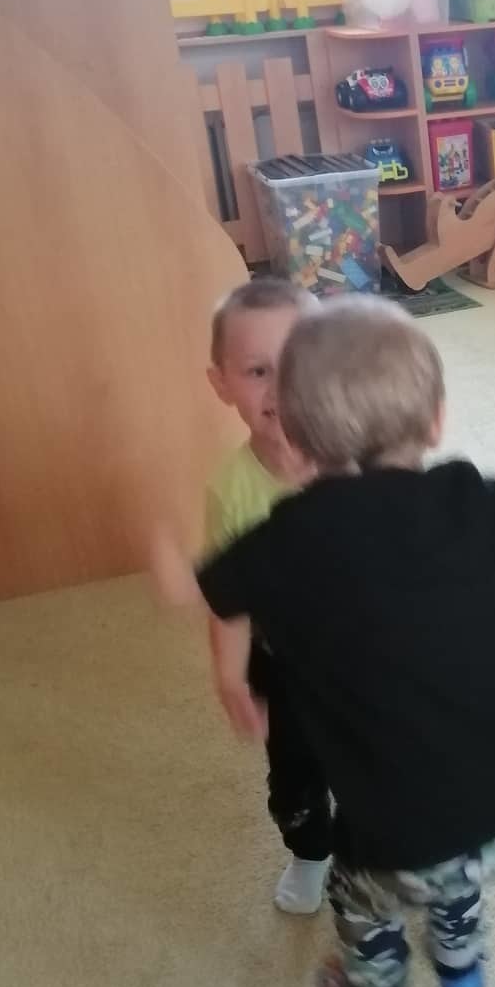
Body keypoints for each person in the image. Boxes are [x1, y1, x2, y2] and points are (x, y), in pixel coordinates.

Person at [158, 298, 495, 987]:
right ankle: (461, 963)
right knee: (454, 859)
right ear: (435, 422)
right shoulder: (467, 498)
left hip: (396, 848)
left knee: (361, 902)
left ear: (297, 437)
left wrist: (178, 583)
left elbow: (207, 592)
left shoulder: (286, 537)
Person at [205, 277, 331, 916]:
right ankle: (310, 851)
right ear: (221, 383)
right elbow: (227, 595)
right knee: (295, 773)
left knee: (389, 759)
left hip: (372, 655)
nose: (281, 389)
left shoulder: (362, 457)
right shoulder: (231, 489)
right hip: (282, 664)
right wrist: (231, 676)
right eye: (258, 371)